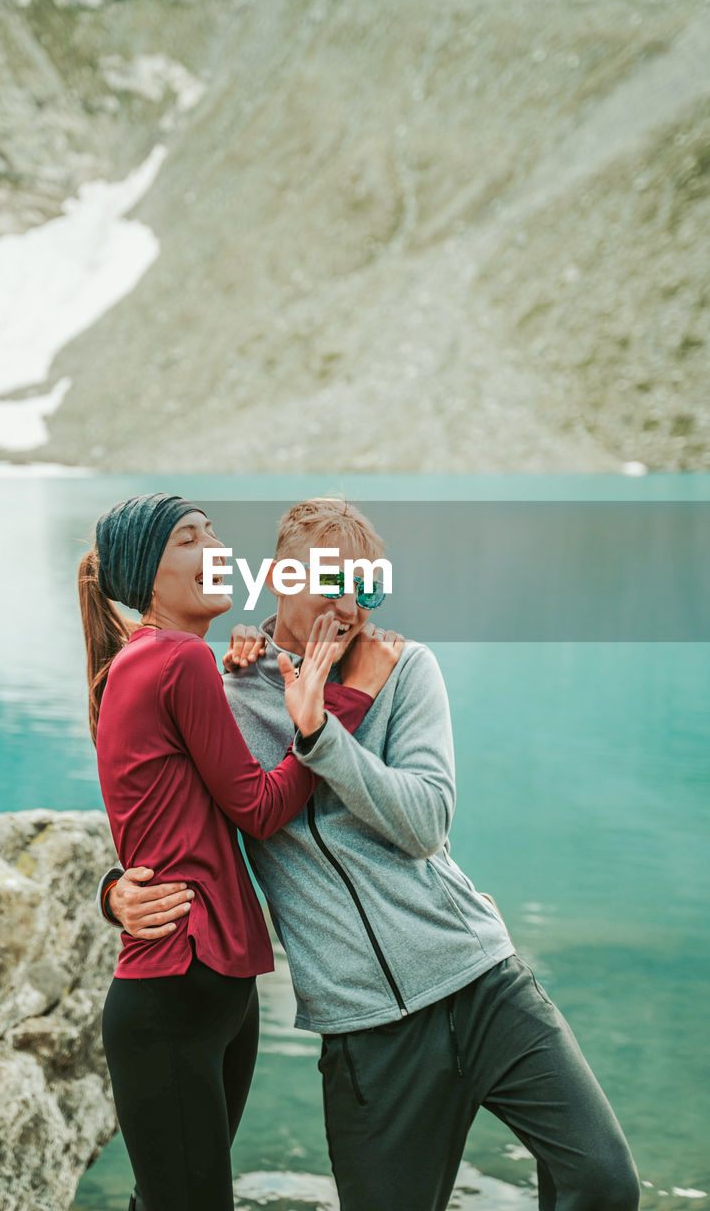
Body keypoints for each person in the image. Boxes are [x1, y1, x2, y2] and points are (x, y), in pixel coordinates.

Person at [102, 496, 641, 1211]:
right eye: (333, 581)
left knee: (603, 1184)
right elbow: (164, 807)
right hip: (363, 1029)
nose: (352, 604)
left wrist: (323, 732)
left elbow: (423, 821)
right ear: (280, 579)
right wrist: (114, 889)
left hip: (479, 980)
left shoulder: (404, 669)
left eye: (369, 585)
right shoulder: (231, 690)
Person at [77, 493, 403, 1211]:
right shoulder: (176, 660)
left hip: (204, 979)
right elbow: (257, 808)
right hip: (179, 982)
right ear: (147, 579)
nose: (215, 548)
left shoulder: (155, 662)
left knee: (166, 1198)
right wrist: (348, 700)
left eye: (215, 534)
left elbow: (163, 822)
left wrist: (249, 655)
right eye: (189, 540)